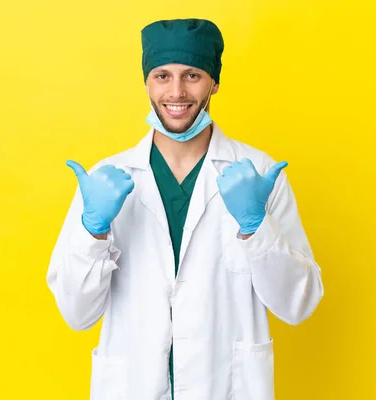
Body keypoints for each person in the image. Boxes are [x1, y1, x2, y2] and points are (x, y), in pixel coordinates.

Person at [46, 18, 324, 400]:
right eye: (162, 76)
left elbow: (299, 304)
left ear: (215, 83)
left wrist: (256, 228)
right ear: (146, 83)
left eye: (192, 75)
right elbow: (77, 314)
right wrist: (93, 229)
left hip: (227, 388)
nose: (176, 91)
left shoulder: (258, 174)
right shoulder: (106, 181)